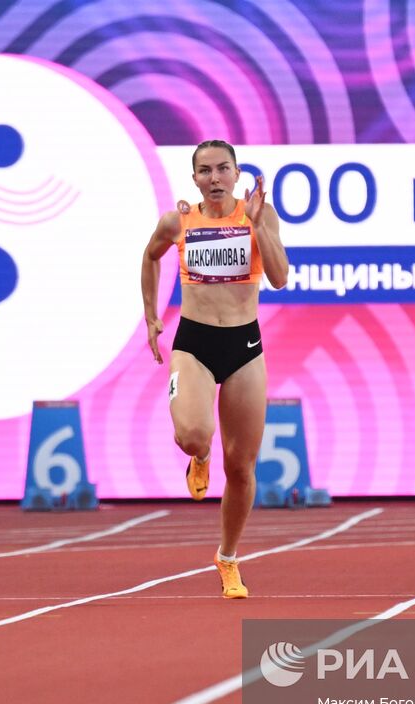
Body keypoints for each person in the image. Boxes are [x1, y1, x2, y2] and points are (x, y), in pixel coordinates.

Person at [140, 140, 289, 598]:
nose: (215, 178)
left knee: (242, 467)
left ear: (237, 172)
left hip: (244, 344)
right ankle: (199, 457)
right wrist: (151, 315)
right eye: (205, 171)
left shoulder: (258, 214)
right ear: (195, 179)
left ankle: (227, 559)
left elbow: (281, 277)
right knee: (192, 435)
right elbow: (150, 256)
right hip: (195, 343)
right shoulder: (178, 220)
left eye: (223, 169)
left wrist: (261, 226)